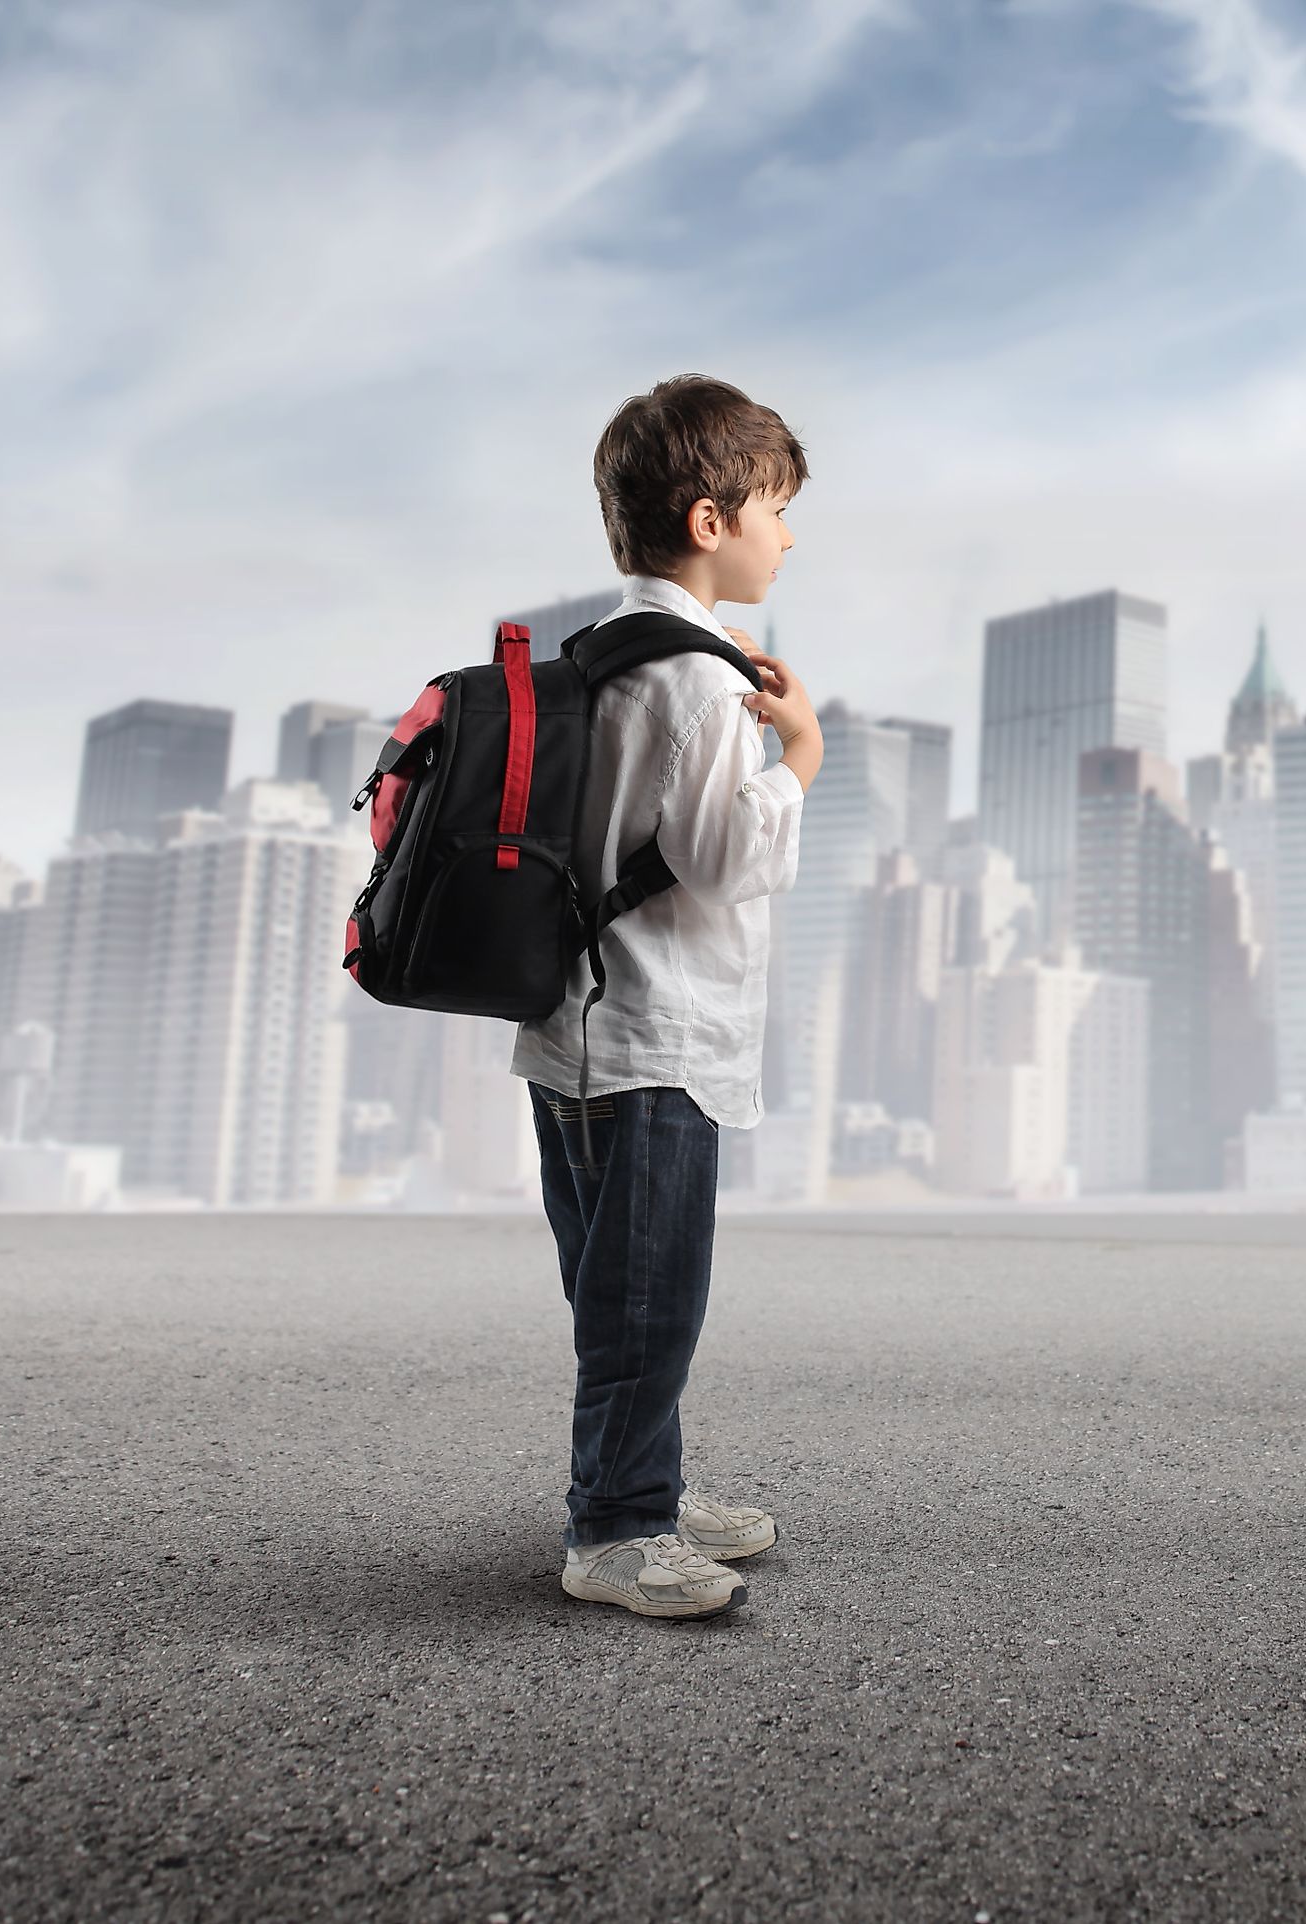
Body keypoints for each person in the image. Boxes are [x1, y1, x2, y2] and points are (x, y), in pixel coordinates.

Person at [509, 374, 823, 1621]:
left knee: (617, 1293)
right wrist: (800, 755)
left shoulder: (598, 653)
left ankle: (646, 1477)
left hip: (570, 1028)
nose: (788, 536)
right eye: (778, 509)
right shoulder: (695, 679)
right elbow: (724, 860)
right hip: (649, 1038)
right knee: (650, 1298)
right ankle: (617, 1529)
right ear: (711, 520)